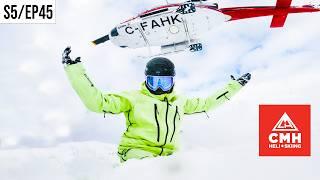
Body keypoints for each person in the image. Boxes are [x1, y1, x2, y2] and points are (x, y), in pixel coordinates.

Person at [62, 47, 251, 162]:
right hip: (136, 152)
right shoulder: (133, 98)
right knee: (152, 171)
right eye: (155, 82)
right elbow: (97, 103)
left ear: (173, 81)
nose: (159, 89)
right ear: (146, 80)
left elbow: (207, 103)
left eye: (165, 83)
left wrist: (235, 86)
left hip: (168, 156)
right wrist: (74, 70)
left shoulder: (179, 102)